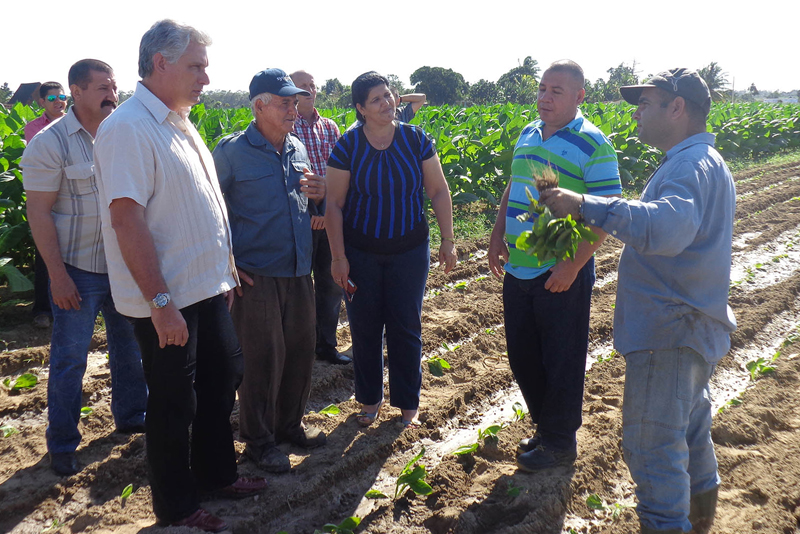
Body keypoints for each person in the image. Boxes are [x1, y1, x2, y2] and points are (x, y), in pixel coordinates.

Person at [540, 68, 736, 534]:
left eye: (646, 103)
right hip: (691, 326)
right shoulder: (705, 160)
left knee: (652, 451)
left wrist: (586, 204)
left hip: (668, 332)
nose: (637, 114)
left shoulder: (687, 167)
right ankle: (700, 523)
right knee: (690, 437)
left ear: (677, 107)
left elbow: (668, 229)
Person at [94, 20, 266, 532]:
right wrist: (161, 302)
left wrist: (226, 269)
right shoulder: (128, 128)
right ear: (160, 63)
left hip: (206, 286)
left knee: (220, 381)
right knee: (173, 404)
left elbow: (201, 206)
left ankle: (216, 474)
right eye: (196, 67)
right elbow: (127, 220)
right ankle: (176, 505)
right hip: (167, 298)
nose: (205, 79)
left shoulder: (179, 120)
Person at [487, 60, 622, 471]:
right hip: (520, 267)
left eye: (556, 91)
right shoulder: (530, 133)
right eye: (542, 89)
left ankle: (560, 442)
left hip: (559, 271)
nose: (545, 97)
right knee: (523, 357)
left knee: (562, 360)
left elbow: (607, 212)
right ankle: (547, 429)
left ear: (580, 96)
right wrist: (496, 236)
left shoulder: (593, 144)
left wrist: (572, 266)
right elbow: (518, 184)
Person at [20, 60, 147, 476]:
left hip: (122, 265)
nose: (112, 93)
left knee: (129, 350)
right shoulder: (50, 143)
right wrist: (56, 276)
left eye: (114, 86)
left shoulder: (124, 134)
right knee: (70, 356)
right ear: (76, 91)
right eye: (101, 87)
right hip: (78, 269)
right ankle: (62, 443)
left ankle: (131, 416)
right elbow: (39, 213)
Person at [212, 68, 328, 474]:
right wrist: (225, 262)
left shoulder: (297, 147)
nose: (293, 109)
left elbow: (309, 205)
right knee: (263, 358)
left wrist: (320, 196)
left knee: (299, 350)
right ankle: (259, 442)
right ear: (259, 105)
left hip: (299, 270)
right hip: (256, 273)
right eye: (284, 102)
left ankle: (289, 426)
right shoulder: (231, 152)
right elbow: (211, 211)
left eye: (295, 101)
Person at [326, 71, 457, 428]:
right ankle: (369, 402)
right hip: (361, 253)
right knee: (365, 329)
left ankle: (407, 406)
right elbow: (334, 205)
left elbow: (438, 191)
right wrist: (338, 257)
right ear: (361, 109)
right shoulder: (348, 145)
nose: (387, 103)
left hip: (409, 250)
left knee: (405, 326)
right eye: (376, 99)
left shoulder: (415, 139)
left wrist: (447, 239)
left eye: (388, 95)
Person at [290, 69, 350, 365]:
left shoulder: (329, 126)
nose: (309, 90)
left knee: (330, 283)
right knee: (300, 285)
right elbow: (290, 176)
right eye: (303, 86)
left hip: (330, 216)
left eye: (312, 85)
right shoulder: (287, 125)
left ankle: (326, 345)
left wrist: (327, 212)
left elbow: (340, 174)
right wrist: (312, 210)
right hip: (299, 219)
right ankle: (300, 349)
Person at [25, 81, 68, 329]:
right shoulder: (34, 130)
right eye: (52, 98)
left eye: (62, 96)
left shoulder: (79, 123)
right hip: (48, 201)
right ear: (41, 102)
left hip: (75, 199)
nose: (59, 101)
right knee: (45, 255)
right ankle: (42, 309)